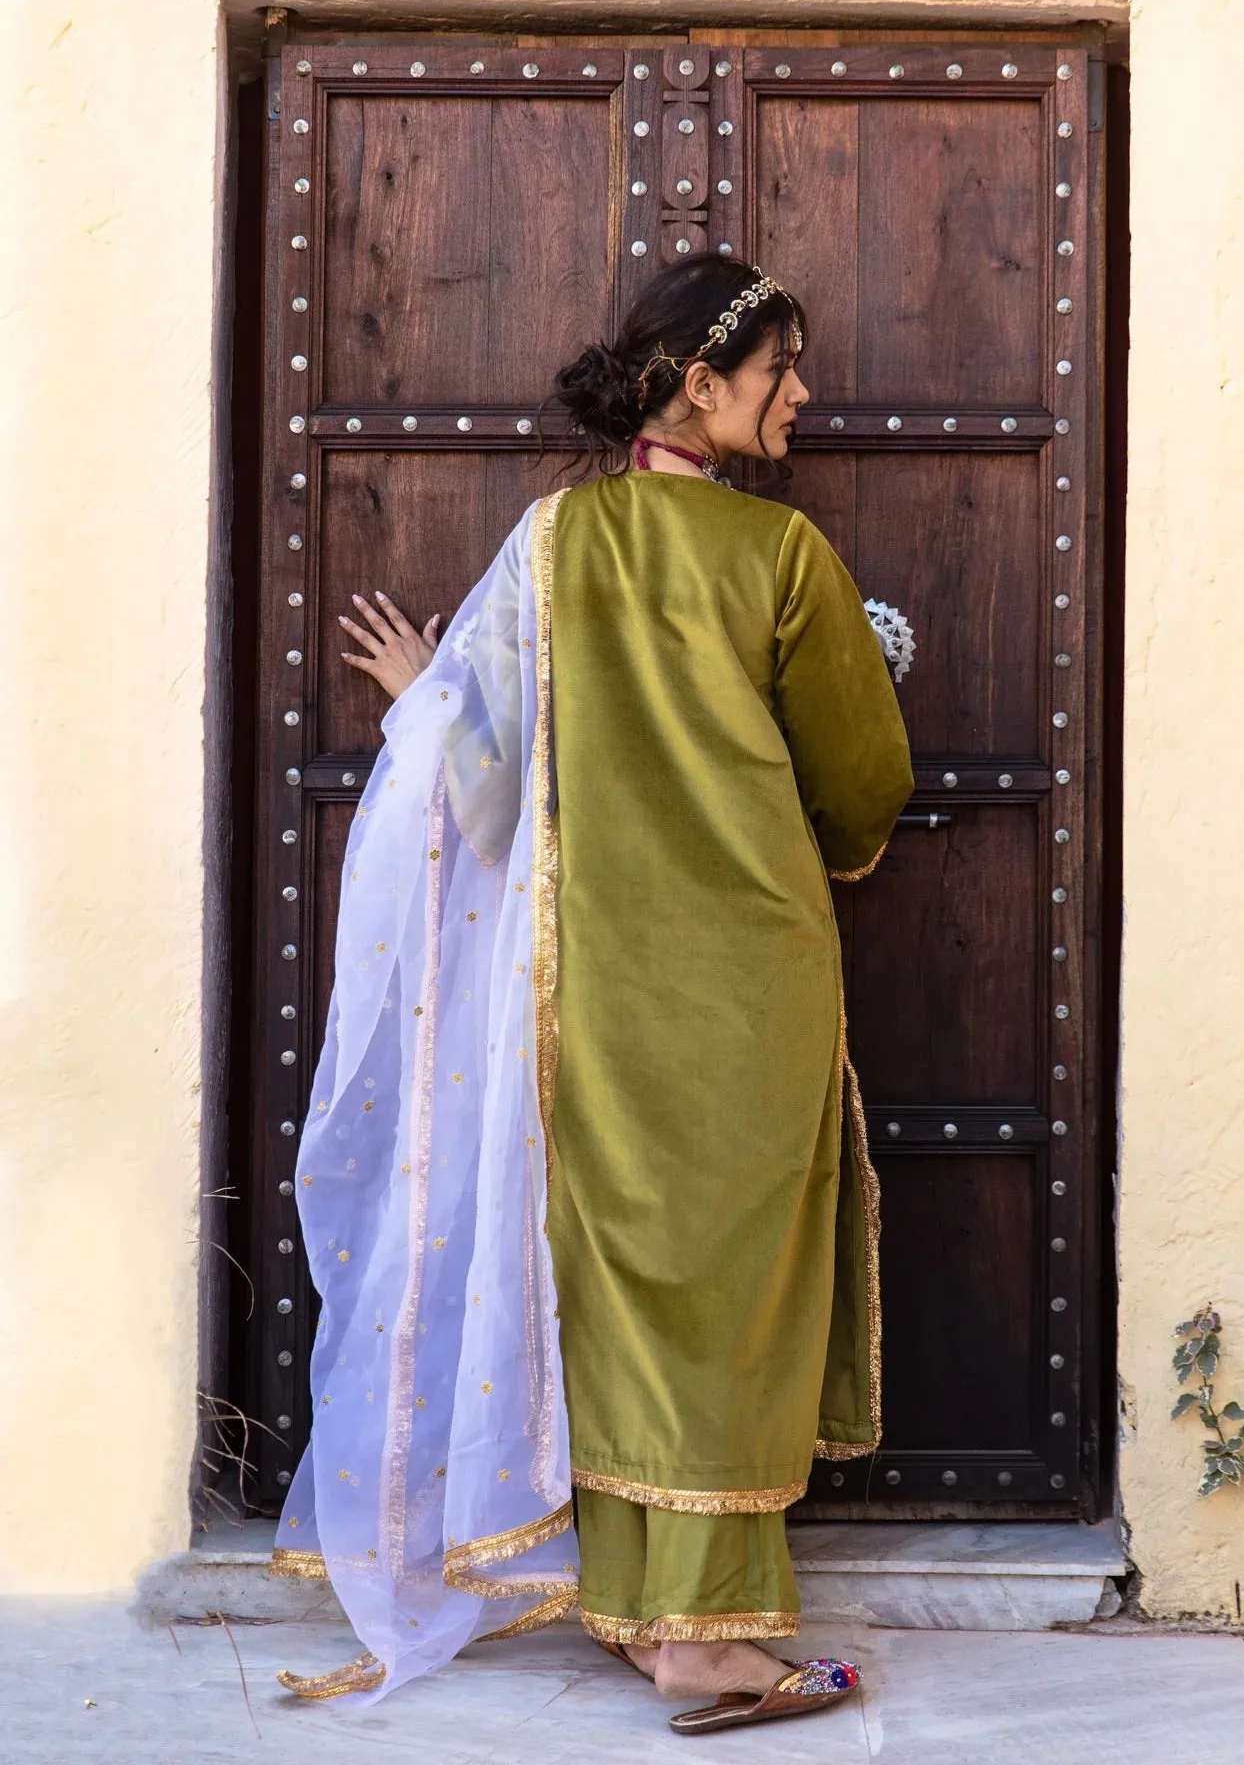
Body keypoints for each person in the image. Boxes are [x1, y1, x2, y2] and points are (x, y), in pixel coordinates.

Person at [273, 256, 913, 1733]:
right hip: (749, 982)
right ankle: (708, 1640)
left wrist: (421, 697)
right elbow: (868, 782)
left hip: (592, 991)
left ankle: (638, 1609)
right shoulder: (782, 560)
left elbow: (488, 801)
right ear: (703, 381)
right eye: (782, 369)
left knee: (617, 1286)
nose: (803, 395)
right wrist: (847, 804)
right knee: (736, 1296)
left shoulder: (547, 549)